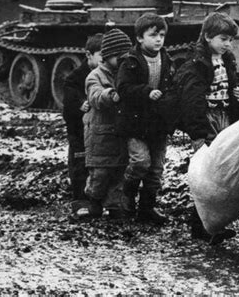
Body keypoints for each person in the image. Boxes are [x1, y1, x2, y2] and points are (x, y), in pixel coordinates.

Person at [174, 12, 239, 244]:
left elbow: (227, 85)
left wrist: (236, 92)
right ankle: (200, 226)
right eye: (223, 39)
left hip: (224, 118)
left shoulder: (227, 60)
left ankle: (214, 224)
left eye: (230, 40)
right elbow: (191, 100)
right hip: (207, 120)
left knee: (222, 174)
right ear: (207, 36)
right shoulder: (196, 64)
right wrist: (197, 133)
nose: (228, 44)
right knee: (207, 175)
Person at [116, 13, 174, 225]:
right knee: (140, 162)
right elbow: (122, 88)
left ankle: (147, 209)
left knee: (156, 169)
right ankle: (127, 197)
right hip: (135, 123)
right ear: (139, 38)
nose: (158, 39)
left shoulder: (167, 59)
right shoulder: (130, 61)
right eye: (153, 35)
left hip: (158, 124)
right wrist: (146, 92)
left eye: (161, 35)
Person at [83, 28, 130, 219]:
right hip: (100, 135)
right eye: (119, 57)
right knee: (100, 174)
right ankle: (94, 201)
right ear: (108, 56)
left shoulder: (125, 73)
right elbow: (95, 96)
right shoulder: (95, 76)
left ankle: (114, 205)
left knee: (119, 171)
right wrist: (111, 95)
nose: (123, 61)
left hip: (119, 131)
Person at [62, 33, 102, 217]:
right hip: (79, 129)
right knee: (80, 164)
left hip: (99, 129)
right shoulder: (75, 77)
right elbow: (69, 97)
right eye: (101, 55)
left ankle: (97, 201)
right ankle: (80, 201)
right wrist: (80, 103)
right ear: (89, 55)